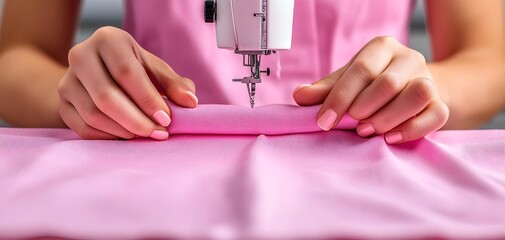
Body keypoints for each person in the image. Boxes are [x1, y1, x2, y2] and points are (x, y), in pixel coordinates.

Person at [0, 0, 504, 144]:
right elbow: (15, 56)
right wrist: (83, 97)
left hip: (365, 149)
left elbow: (491, 58)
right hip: (147, 149)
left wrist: (419, 90)